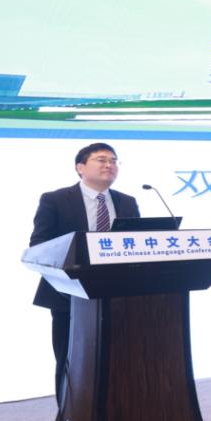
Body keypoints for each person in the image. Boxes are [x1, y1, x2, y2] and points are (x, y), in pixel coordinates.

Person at [29, 142, 140, 404]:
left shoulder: (127, 202)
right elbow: (39, 246)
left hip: (119, 297)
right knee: (70, 361)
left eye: (113, 161)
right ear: (80, 167)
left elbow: (137, 245)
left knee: (118, 360)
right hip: (69, 296)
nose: (109, 165)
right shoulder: (55, 200)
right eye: (101, 160)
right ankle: (68, 419)